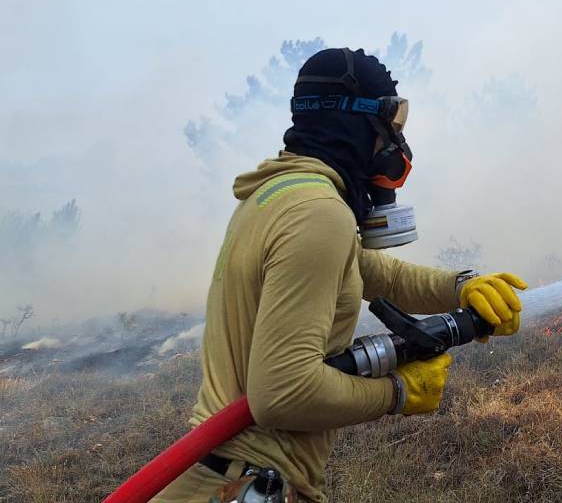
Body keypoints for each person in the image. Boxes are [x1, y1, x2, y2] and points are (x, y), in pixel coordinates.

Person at [155, 48, 526, 502]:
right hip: (248, 483)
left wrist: (461, 286)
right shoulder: (318, 214)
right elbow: (282, 394)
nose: (393, 145)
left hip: (219, 476)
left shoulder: (276, 196)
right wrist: (397, 393)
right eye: (391, 123)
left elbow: (371, 270)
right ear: (355, 123)